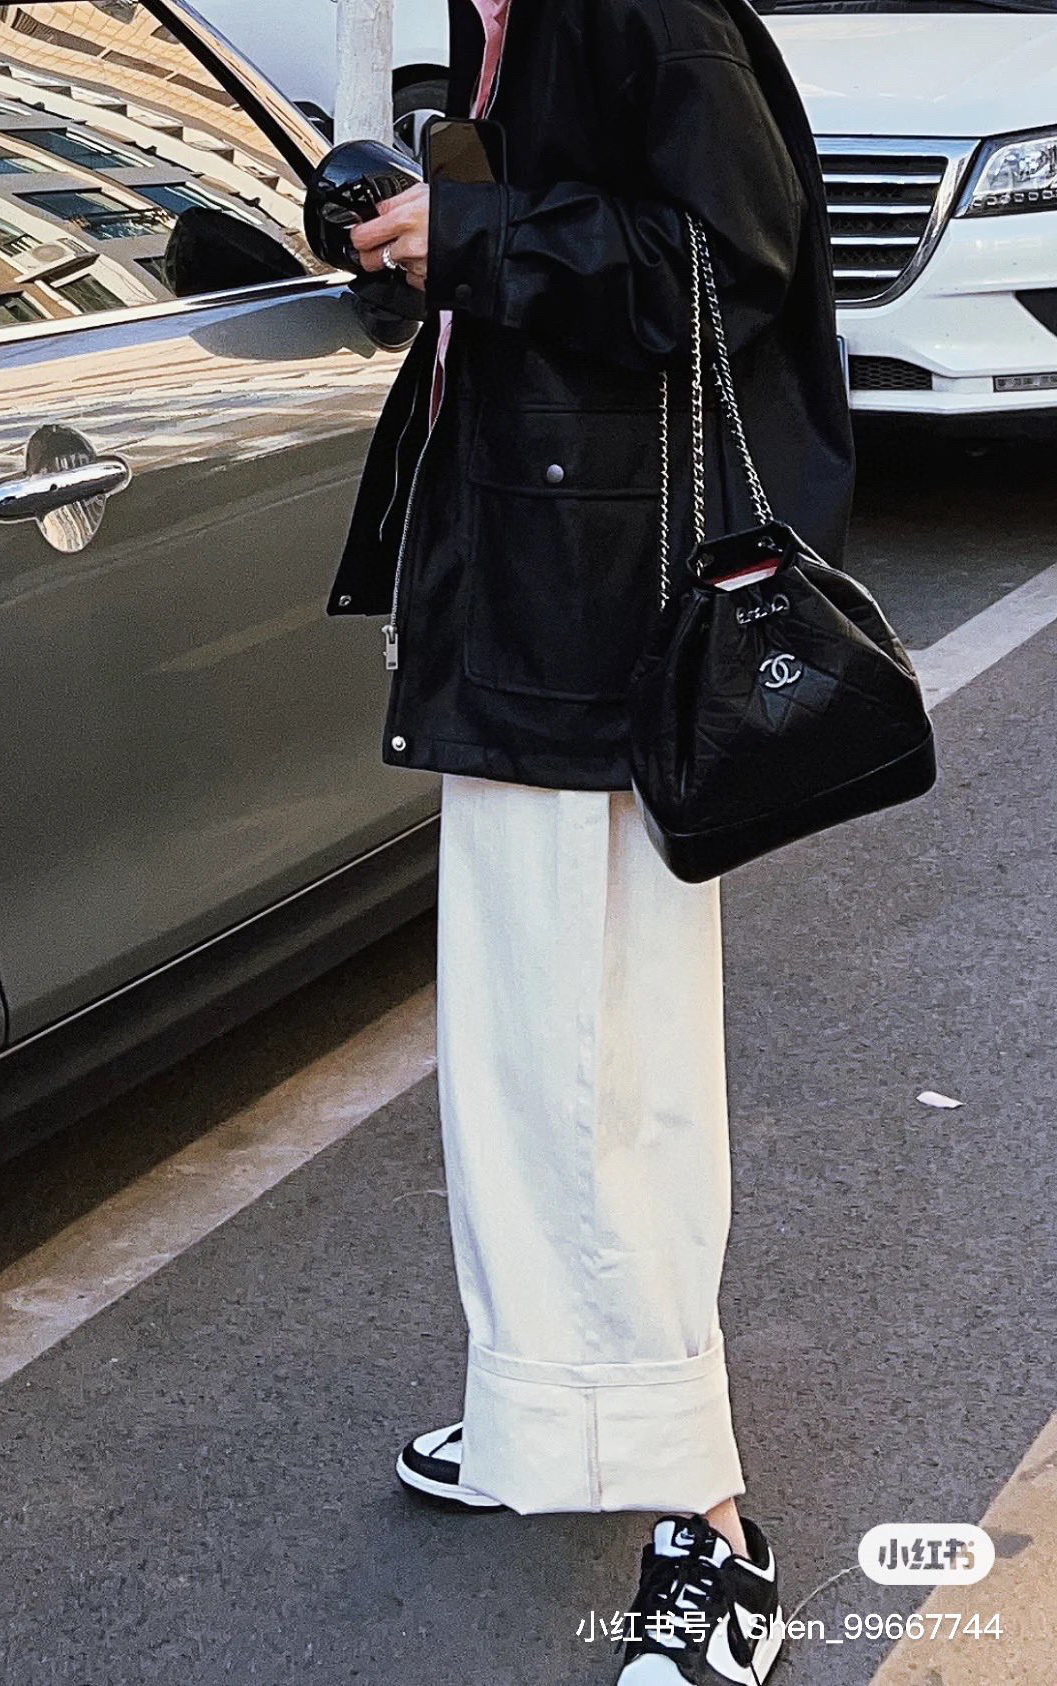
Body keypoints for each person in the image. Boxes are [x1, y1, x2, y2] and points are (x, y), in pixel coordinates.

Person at [325, 0, 855, 1679]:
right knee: (526, 1069)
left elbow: (729, 260)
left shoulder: (640, 5)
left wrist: (474, 235)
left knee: (603, 1074)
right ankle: (542, 1416)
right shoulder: (505, 12)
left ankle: (712, 1529)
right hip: (533, 590)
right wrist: (414, 238)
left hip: (607, 611)